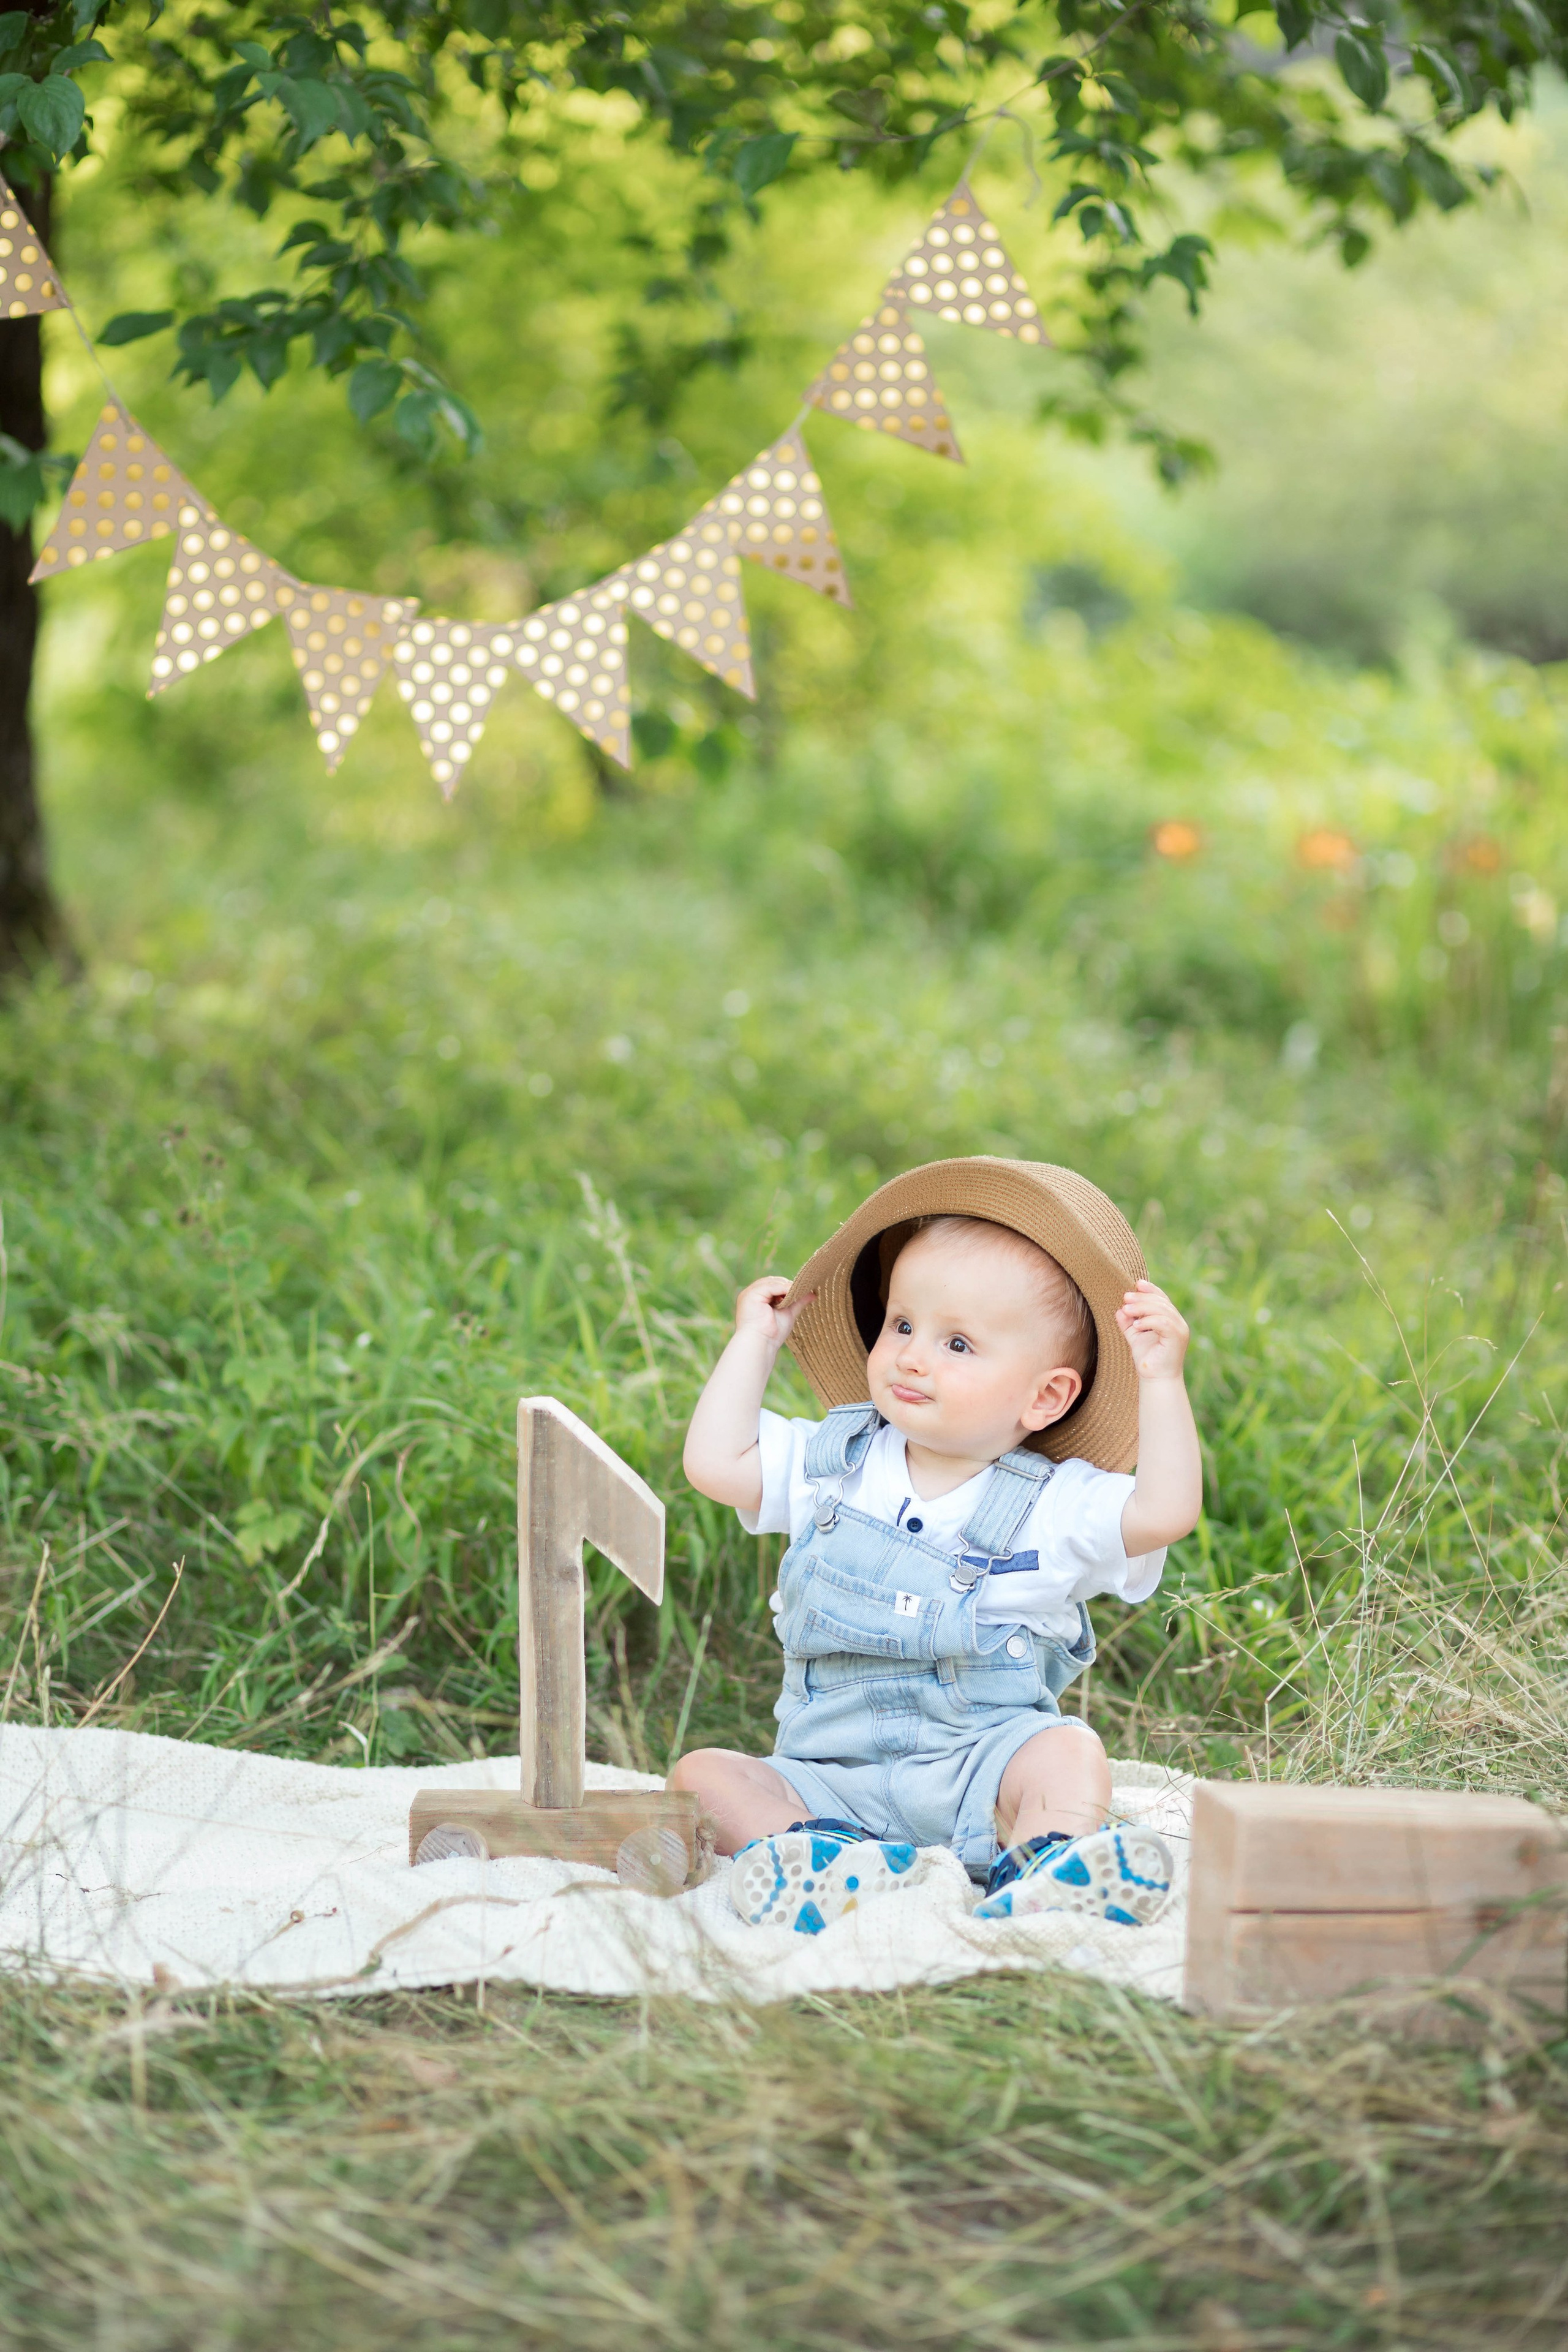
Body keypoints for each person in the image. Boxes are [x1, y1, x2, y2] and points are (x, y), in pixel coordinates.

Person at [672, 1156, 1201, 1934]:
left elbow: (1163, 1512)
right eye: (903, 1325)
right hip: (830, 1780)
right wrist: (756, 1341)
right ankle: (826, 1862)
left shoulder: (1053, 1506)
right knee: (700, 1778)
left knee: (1065, 1752)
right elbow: (716, 1465)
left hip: (980, 1772)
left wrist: (1161, 1382)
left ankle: (1049, 1860)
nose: (914, 1354)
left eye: (959, 1345)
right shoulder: (834, 1464)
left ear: (1045, 1395)